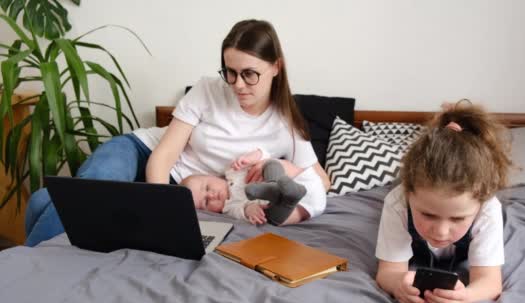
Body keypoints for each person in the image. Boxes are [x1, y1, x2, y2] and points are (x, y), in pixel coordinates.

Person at [24, 19, 329, 246]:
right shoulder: (208, 89)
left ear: (276, 67)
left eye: (249, 74)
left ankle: (32, 238)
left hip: (185, 186)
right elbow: (164, 156)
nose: (237, 84)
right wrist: (164, 214)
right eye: (230, 72)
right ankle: (25, 271)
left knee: (43, 202)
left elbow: (321, 181)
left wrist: (279, 168)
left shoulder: (285, 123)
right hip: (143, 152)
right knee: (94, 187)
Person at [375, 101, 513, 303]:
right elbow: (388, 272)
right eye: (428, 215)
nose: (441, 231)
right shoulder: (397, 202)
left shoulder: (488, 209)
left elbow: (490, 282)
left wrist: (465, 297)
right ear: (409, 195)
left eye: (458, 219)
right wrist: (398, 286)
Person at [181, 148, 308, 225]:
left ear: (213, 176)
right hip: (273, 204)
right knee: (272, 217)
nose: (211, 195)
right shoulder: (229, 207)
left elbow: (264, 154)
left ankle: (274, 185)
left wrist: (251, 158)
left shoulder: (233, 171)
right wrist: (249, 209)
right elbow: (241, 212)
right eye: (206, 202)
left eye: (207, 188)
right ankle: (291, 197)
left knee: (271, 164)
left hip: (275, 182)